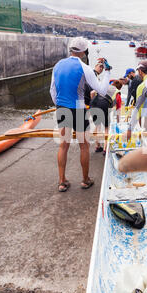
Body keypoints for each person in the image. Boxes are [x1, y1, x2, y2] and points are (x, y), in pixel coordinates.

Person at [50, 37, 111, 192]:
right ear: (84, 52)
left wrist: (59, 106)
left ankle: (62, 181)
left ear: (71, 49)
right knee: (84, 145)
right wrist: (108, 72)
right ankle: (85, 180)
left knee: (64, 145)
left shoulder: (57, 65)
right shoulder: (85, 68)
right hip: (78, 109)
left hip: (62, 107)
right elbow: (102, 91)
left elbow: (53, 91)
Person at [90, 79, 122, 154]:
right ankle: (105, 149)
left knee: (97, 125)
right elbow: (118, 109)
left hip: (93, 103)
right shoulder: (117, 92)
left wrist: (93, 102)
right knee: (107, 127)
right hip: (104, 105)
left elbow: (92, 92)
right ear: (119, 88)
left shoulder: (104, 86)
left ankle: (98, 146)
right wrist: (118, 122)